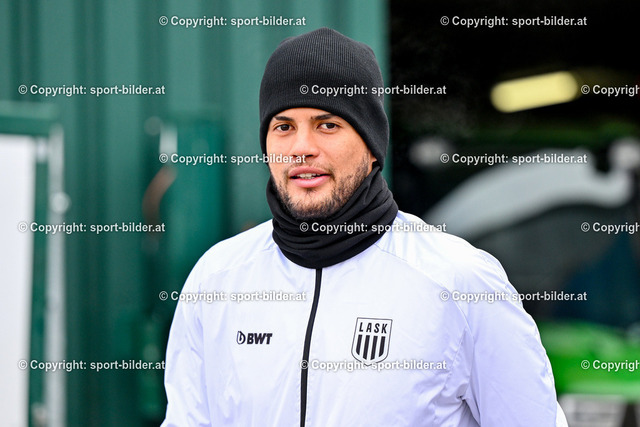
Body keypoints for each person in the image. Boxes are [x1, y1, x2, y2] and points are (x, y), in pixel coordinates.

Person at [162, 27, 568, 426]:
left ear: (372, 147)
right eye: (283, 127)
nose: (301, 148)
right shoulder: (218, 279)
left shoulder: (459, 281)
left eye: (327, 125)